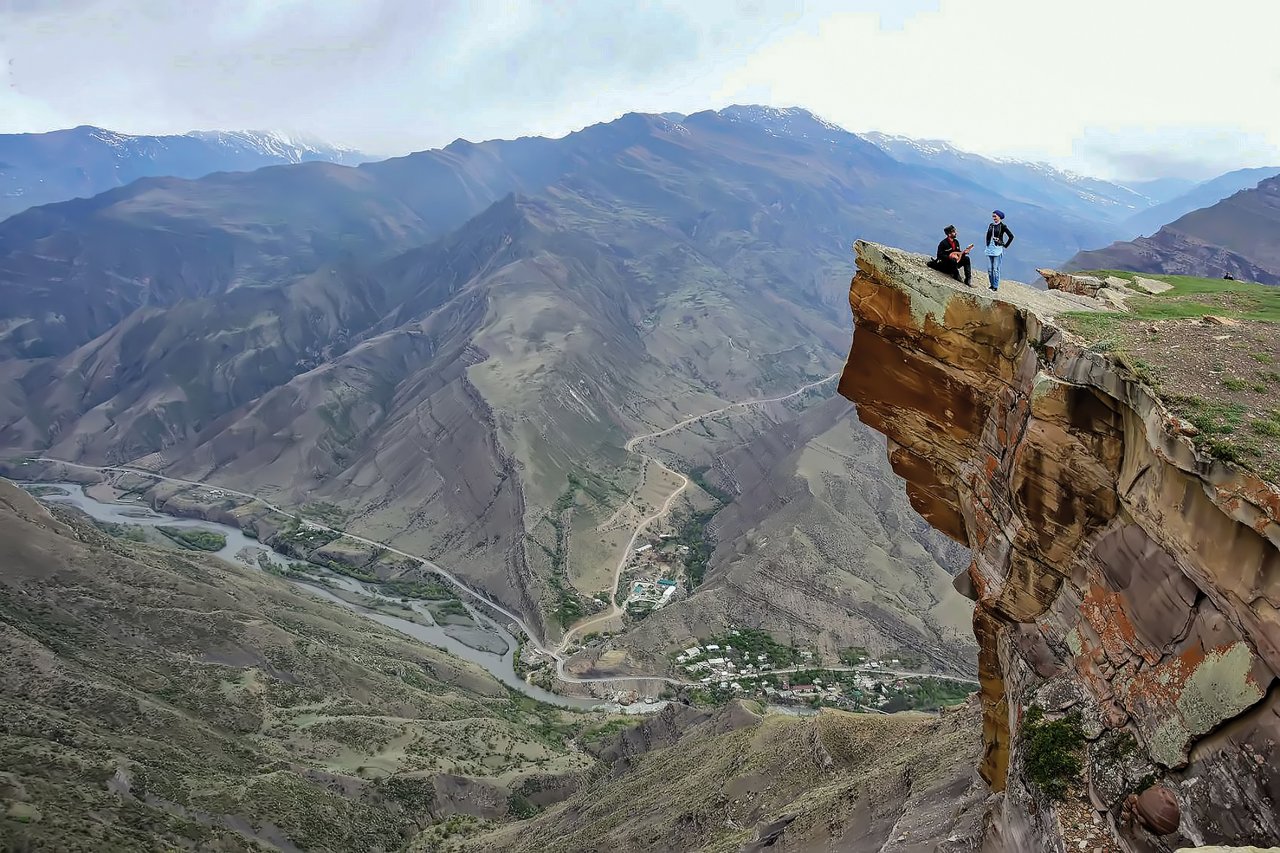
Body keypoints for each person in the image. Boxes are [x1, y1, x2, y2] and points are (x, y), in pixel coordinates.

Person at [984, 210, 1014, 291]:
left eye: (995, 216)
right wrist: (987, 243)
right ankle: (991, 285)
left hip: (997, 249)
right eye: (993, 216)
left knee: (995, 269)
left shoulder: (1003, 226)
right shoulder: (991, 225)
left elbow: (1011, 236)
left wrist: (1004, 245)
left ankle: (995, 286)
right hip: (989, 248)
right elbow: (988, 234)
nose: (994, 218)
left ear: (999, 217)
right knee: (990, 269)